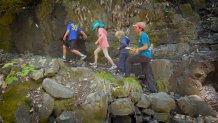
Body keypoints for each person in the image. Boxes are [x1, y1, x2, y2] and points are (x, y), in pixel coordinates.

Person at [125, 22, 157, 93]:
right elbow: (143, 47)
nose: (134, 29)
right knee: (148, 73)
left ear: (140, 28)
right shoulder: (141, 35)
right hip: (146, 56)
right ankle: (153, 90)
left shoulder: (143, 35)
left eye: (136, 27)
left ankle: (127, 78)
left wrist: (137, 50)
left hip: (145, 56)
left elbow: (145, 46)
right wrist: (135, 50)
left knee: (129, 60)